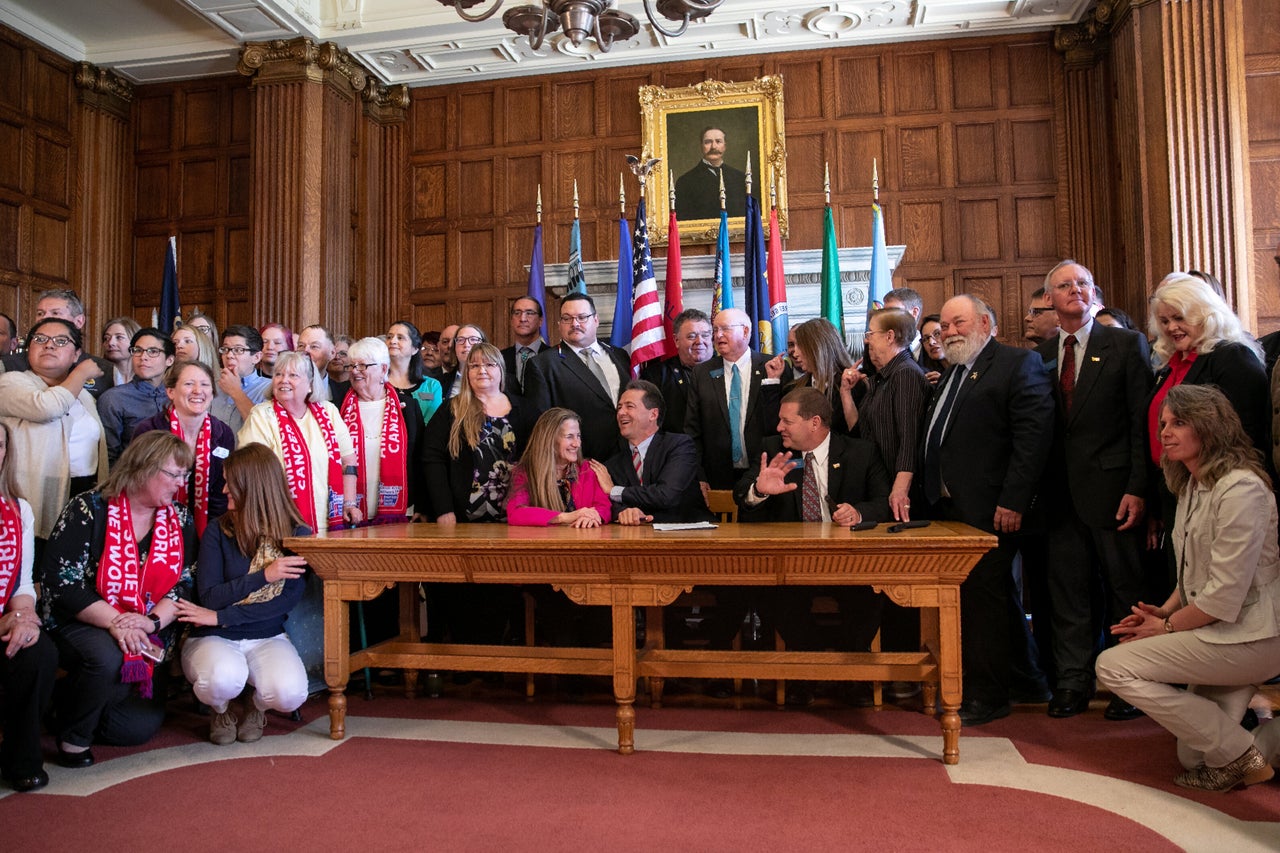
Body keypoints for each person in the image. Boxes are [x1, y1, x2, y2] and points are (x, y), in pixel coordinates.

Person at [1097, 385, 1280, 792]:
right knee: (1194, 756)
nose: (1165, 432)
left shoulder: (1242, 488)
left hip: (1253, 637)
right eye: (1164, 423)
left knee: (1112, 666)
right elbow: (1192, 576)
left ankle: (1240, 756)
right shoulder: (1194, 483)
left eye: (1178, 422)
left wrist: (1165, 629)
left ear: (1210, 427)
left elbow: (1223, 594)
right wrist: (1163, 612)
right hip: (1217, 630)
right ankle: (1253, 750)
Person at [920, 294, 1055, 725]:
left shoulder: (1016, 364)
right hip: (950, 509)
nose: (948, 331)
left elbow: (1033, 439)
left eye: (958, 322)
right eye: (943, 324)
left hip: (994, 508)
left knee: (981, 600)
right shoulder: (951, 372)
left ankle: (986, 695)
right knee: (991, 596)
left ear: (984, 322)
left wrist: (1014, 500)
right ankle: (1027, 678)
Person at [1034, 260, 1153, 721]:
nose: (1075, 290)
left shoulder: (1124, 344)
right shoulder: (1042, 355)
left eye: (1082, 283)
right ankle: (1072, 682)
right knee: (1068, 594)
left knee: (1125, 590)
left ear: (1094, 292)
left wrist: (1138, 487)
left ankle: (1131, 684)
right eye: (1064, 286)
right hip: (1059, 496)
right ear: (1050, 299)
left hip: (1114, 492)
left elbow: (1140, 423)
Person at [39, 431, 198, 766]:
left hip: (148, 627)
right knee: (107, 656)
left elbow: (185, 582)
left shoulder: (179, 517)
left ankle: (67, 705)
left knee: (134, 730)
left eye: (184, 475)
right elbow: (62, 583)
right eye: (173, 475)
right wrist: (117, 623)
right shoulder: (89, 508)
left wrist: (150, 621)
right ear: (143, 468)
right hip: (83, 620)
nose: (179, 484)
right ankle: (74, 741)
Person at [735, 387, 891, 686]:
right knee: (772, 595)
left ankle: (850, 674)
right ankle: (809, 668)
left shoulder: (860, 452)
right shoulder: (774, 449)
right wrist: (759, 490)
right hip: (790, 566)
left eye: (787, 421)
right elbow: (740, 496)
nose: (779, 427)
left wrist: (858, 513)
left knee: (869, 596)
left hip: (848, 565)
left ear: (814, 423)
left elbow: (883, 501)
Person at [174, 445, 311, 745]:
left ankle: (256, 706)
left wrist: (222, 616)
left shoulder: (298, 534)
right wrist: (265, 575)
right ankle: (220, 710)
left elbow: (283, 604)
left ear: (253, 486)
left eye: (229, 482)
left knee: (291, 694)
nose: (223, 489)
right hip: (213, 635)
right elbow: (210, 597)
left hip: (266, 634)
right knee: (222, 679)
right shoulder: (217, 530)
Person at [422, 343, 536, 651]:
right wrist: (443, 508)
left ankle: (500, 655)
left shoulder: (523, 408)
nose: (481, 371)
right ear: (465, 372)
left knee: (504, 587)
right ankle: (466, 654)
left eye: (489, 365)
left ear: (501, 370)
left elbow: (537, 459)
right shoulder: (453, 409)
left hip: (511, 517)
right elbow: (432, 458)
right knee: (466, 588)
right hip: (463, 517)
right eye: (474, 366)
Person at [0, 318, 108, 547]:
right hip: (36, 493)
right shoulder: (10, 383)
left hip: (84, 491)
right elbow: (47, 407)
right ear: (28, 349)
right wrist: (81, 372)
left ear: (76, 353)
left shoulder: (84, 396)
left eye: (61, 341)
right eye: (40, 339)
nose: (49, 345)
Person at [238, 351, 362, 533]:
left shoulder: (328, 411)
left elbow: (348, 462)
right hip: (280, 523)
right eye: (279, 374)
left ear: (310, 384)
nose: (283, 380)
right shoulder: (262, 415)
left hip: (331, 524)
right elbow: (252, 471)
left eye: (293, 375)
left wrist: (349, 503)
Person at [0, 422, 59, 792]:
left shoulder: (18, 509)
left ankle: (20, 758)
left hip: (7, 617)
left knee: (39, 653)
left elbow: (23, 582)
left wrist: (24, 619)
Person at [685, 307, 789, 490]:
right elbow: (693, 431)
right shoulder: (701, 373)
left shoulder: (773, 367)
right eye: (715, 330)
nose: (718, 335)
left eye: (725, 329)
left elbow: (782, 425)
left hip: (766, 473)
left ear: (745, 331)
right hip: (717, 477)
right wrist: (699, 476)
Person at [843, 308, 931, 523]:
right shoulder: (881, 378)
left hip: (900, 493)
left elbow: (909, 438)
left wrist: (900, 490)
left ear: (889, 336)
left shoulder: (905, 374)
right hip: (880, 486)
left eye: (870, 334)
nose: (867, 341)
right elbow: (860, 431)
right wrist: (845, 393)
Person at [132, 360, 235, 539]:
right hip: (154, 528)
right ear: (170, 391)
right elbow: (139, 487)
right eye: (189, 384)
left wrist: (211, 539)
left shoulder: (223, 433)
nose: (198, 391)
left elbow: (221, 495)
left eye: (204, 384)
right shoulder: (149, 430)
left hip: (209, 530)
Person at [524, 294, 631, 463]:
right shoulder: (543, 365)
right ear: (559, 325)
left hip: (628, 459)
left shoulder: (620, 355)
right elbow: (541, 427)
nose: (575, 324)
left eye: (582, 317)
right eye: (567, 318)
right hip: (580, 463)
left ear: (596, 320)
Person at [591, 380, 711, 525]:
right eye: (619, 407)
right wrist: (624, 512)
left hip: (691, 536)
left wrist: (615, 490)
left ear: (653, 414)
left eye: (629, 406)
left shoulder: (679, 446)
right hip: (639, 538)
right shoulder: (614, 462)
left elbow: (666, 495)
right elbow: (608, 503)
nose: (621, 413)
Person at [340, 337, 425, 522]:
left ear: (383, 369)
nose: (355, 371)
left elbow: (420, 458)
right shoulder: (338, 408)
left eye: (362, 366)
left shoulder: (408, 408)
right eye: (351, 366)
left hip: (402, 511)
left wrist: (422, 504)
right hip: (347, 512)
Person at [508, 408, 611, 528]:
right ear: (550, 440)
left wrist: (594, 516)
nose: (577, 444)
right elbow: (515, 513)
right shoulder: (525, 472)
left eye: (578, 436)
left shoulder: (588, 469)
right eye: (569, 437)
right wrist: (565, 517)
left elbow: (604, 508)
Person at [2, 289, 114, 398]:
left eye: (55, 313)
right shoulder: (8, 365)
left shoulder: (105, 370)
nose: (44, 318)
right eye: (40, 313)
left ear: (79, 321)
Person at [97, 328, 174, 465]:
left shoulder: (177, 397)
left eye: (153, 352)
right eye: (137, 350)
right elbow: (109, 456)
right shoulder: (114, 399)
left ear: (169, 360)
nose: (143, 357)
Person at [770, 317, 854, 434]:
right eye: (792, 345)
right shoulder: (793, 389)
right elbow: (778, 429)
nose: (796, 353)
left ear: (819, 348)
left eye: (802, 347)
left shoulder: (852, 385)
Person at [640, 308, 713, 434]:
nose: (699, 341)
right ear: (676, 340)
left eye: (705, 335)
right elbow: (649, 424)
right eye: (692, 336)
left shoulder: (727, 368)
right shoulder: (655, 375)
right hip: (676, 450)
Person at [674, 126, 750, 220]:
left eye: (718, 141)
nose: (713, 146)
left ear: (725, 146)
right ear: (701, 146)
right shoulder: (685, 182)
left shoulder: (741, 178)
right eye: (708, 142)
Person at [212, 325, 272, 433]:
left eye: (238, 350)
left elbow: (263, 428)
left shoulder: (269, 388)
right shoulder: (211, 386)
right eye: (225, 349)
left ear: (256, 357)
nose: (229, 355)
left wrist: (235, 391)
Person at [386, 320, 444, 425]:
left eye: (400, 337)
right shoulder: (377, 382)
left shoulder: (432, 386)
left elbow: (434, 424)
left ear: (415, 349)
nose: (392, 341)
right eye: (389, 337)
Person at [501, 296, 547, 397]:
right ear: (511, 320)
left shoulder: (552, 356)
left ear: (540, 321)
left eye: (529, 313)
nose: (522, 319)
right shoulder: (500, 357)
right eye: (517, 313)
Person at [297, 325, 347, 404]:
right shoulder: (284, 389)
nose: (305, 351)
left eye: (314, 346)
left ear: (332, 353)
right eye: (301, 346)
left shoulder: (345, 395)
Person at [440, 324, 487, 400]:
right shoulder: (441, 382)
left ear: (484, 345)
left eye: (473, 339)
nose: (466, 345)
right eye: (461, 340)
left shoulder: (499, 379)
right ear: (454, 347)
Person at [882, 287, 924, 357]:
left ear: (914, 312)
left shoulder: (931, 347)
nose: (887, 318)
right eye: (885, 312)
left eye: (893, 311)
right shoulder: (881, 348)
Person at [100, 316, 140, 386]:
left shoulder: (147, 377)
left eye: (119, 337)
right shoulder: (95, 377)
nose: (110, 343)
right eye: (106, 338)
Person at [917, 314, 948, 383]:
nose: (931, 342)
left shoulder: (968, 367)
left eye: (937, 334)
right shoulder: (928, 375)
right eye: (926, 339)